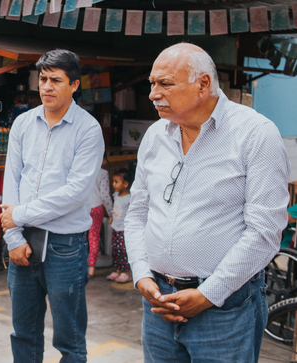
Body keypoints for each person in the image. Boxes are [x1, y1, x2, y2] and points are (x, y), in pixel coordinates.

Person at [124, 43, 290, 362]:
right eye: (152, 84)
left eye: (165, 84)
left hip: (225, 309)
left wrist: (207, 294)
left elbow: (265, 232)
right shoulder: (155, 136)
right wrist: (142, 274)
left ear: (202, 84)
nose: (153, 94)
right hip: (158, 301)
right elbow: (138, 214)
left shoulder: (256, 135)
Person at [0, 49, 104, 362]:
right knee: (23, 334)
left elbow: (75, 193)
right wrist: (14, 237)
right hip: (22, 241)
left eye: (55, 80)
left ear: (74, 85)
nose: (46, 86)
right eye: (43, 79)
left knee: (69, 340)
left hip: (65, 248)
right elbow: (11, 180)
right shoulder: (22, 124)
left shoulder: (88, 129)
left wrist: (18, 216)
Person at [88, 155, 112, 277]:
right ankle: (91, 268)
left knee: (81, 236)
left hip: (83, 207)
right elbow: (104, 195)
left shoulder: (85, 169)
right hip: (96, 207)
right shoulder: (103, 172)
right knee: (94, 237)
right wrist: (110, 211)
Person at [107, 168, 131, 283]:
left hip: (124, 229)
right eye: (113, 181)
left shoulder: (129, 198)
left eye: (116, 182)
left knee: (124, 250)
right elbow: (114, 208)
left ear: (125, 184)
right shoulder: (115, 195)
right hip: (116, 227)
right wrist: (111, 217)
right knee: (116, 249)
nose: (113, 184)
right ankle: (117, 270)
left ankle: (126, 272)